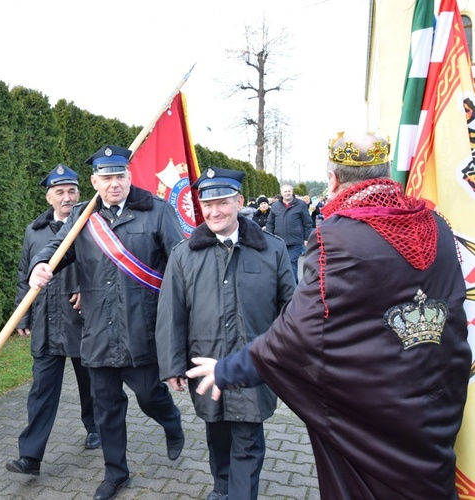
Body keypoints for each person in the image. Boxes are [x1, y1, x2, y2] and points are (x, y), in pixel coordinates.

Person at [186, 131, 471, 499]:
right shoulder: (439, 225)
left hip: (374, 415)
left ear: (333, 179)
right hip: (439, 397)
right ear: (386, 173)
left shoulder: (338, 237)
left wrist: (229, 369)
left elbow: (298, 332)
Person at [29, 145, 185, 500]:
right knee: (107, 408)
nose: (114, 184)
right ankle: (116, 473)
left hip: (142, 328)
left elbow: (180, 261)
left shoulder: (156, 212)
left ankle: (171, 421)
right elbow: (55, 248)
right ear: (95, 180)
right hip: (97, 330)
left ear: (129, 177)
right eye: (107, 178)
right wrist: (41, 263)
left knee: (149, 395)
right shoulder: (82, 218)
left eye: (120, 176)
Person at [156, 168, 295, 500]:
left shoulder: (271, 250)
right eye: (208, 204)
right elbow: (171, 314)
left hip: (254, 363)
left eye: (223, 202)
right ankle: (222, 489)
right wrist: (172, 365)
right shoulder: (184, 254)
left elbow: (291, 310)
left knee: (247, 440)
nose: (215, 212)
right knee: (216, 431)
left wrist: (288, 359)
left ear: (239, 201)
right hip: (205, 364)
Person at [6, 164, 99, 477]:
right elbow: (25, 274)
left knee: (91, 384)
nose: (67, 196)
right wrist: (23, 313)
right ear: (49, 197)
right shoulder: (35, 230)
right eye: (60, 192)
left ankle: (95, 427)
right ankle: (30, 457)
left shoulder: (90, 224)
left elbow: (104, 267)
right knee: (41, 391)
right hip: (46, 324)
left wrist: (89, 291)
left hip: (81, 320)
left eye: (72, 190)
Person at [266, 184, 313, 283]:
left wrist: (306, 238)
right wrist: (269, 237)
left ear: (292, 192)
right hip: (278, 241)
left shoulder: (301, 205)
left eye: (289, 191)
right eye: (285, 191)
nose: (287, 193)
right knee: (279, 265)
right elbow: (270, 223)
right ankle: (283, 288)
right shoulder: (275, 206)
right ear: (281, 193)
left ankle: (293, 289)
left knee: (292, 264)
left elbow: (307, 223)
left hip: (295, 242)